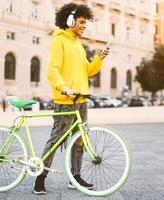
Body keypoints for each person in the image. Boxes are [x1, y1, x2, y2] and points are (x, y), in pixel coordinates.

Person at [33, 3, 109, 195]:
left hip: (80, 100)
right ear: (70, 20)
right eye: (82, 22)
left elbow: (88, 71)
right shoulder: (59, 40)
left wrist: (99, 59)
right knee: (56, 141)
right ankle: (40, 178)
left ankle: (75, 177)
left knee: (79, 141)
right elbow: (52, 70)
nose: (84, 26)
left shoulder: (78, 45)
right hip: (65, 101)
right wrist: (63, 87)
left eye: (86, 22)